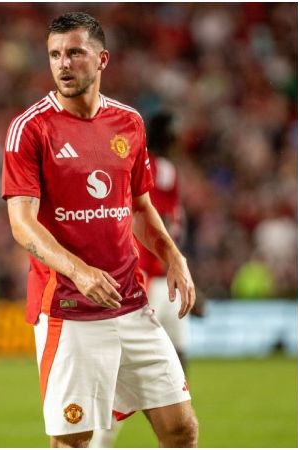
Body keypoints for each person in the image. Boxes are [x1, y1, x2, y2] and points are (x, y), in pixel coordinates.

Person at [2, 12, 198, 448]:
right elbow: (22, 223)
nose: (63, 63)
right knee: (75, 440)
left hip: (131, 302)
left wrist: (173, 256)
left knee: (181, 429)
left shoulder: (129, 123)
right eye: (54, 54)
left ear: (101, 59)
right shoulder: (30, 129)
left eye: (74, 52)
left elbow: (142, 207)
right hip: (70, 309)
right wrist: (81, 272)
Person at [89, 112, 204, 448]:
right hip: (146, 281)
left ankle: (159, 426)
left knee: (174, 366)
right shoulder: (154, 168)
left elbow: (167, 227)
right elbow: (156, 220)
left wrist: (184, 271)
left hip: (161, 279)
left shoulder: (158, 168)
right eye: (175, 133)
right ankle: (102, 436)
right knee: (141, 369)